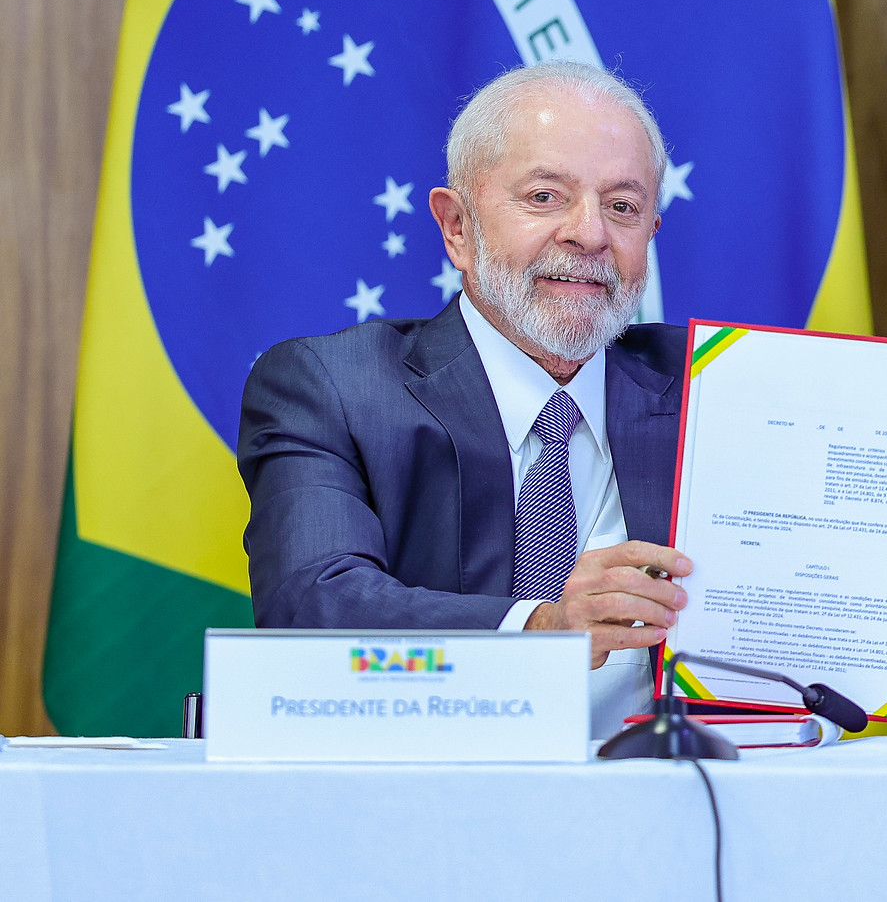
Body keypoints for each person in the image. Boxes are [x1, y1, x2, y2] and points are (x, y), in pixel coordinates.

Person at [239, 62, 695, 736]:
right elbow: (312, 607)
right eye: (545, 197)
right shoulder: (333, 387)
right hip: (419, 782)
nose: (590, 233)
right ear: (457, 226)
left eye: (622, 207)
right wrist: (541, 629)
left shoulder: (711, 386)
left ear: (650, 234)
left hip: (676, 784)